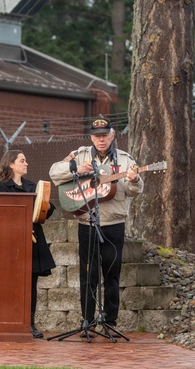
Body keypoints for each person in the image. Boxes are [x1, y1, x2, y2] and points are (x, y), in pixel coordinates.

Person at [49, 116, 143, 331]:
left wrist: (135, 180)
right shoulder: (79, 154)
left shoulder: (126, 159)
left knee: (112, 274)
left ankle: (110, 321)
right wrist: (75, 170)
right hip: (87, 223)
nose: (101, 140)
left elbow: (133, 191)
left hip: (114, 224)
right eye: (97, 136)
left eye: (105, 136)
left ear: (112, 136)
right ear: (91, 137)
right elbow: (54, 171)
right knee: (88, 275)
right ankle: (87, 321)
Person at [0, 150, 56, 339]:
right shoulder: (1, 187)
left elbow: (45, 212)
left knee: (31, 284)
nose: (26, 163)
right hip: (11, 241)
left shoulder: (32, 186)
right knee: (10, 283)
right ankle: (9, 321)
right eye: (22, 160)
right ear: (11, 164)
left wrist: (46, 205)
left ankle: (29, 324)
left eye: (26, 160)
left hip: (33, 240)